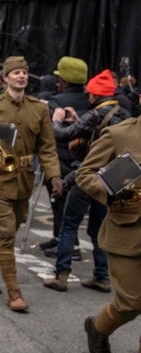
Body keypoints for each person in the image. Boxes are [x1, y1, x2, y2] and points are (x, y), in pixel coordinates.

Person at [0, 56, 62, 312]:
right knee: (7, 233)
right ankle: (14, 292)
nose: (21, 76)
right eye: (16, 72)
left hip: (23, 180)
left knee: (5, 232)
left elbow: (47, 148)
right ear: (6, 78)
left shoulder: (39, 109)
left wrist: (54, 177)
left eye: (24, 72)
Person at [77, 90, 141, 353]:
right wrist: (114, 194)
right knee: (131, 302)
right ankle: (98, 327)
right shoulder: (118, 134)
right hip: (128, 231)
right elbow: (85, 174)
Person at [43, 69, 126, 293]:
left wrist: (57, 120)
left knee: (69, 224)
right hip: (110, 177)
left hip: (87, 175)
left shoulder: (97, 114)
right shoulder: (123, 114)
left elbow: (62, 135)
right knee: (99, 226)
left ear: (94, 95)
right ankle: (101, 276)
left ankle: (61, 274)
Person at [41, 57, 90, 254]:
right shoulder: (90, 101)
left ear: (66, 82)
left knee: (60, 201)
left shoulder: (56, 103)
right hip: (82, 159)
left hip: (59, 159)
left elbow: (47, 132)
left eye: (60, 79)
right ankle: (58, 238)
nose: (58, 83)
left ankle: (68, 244)